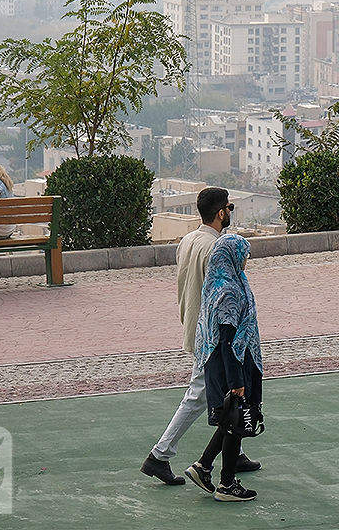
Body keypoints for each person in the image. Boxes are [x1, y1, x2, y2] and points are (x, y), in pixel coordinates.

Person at [141, 188, 260, 485]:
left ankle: (236, 450)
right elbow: (222, 299)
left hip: (195, 325)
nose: (230, 212)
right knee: (201, 395)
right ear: (221, 212)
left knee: (223, 394)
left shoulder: (189, 240)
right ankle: (160, 454)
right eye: (229, 207)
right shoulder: (217, 248)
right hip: (212, 334)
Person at [184, 233, 263, 502]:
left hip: (228, 363)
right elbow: (228, 339)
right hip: (230, 365)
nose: (246, 261)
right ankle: (226, 485)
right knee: (234, 421)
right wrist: (236, 380)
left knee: (232, 420)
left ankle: (204, 467)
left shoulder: (222, 281)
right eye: (244, 256)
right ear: (231, 256)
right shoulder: (227, 289)